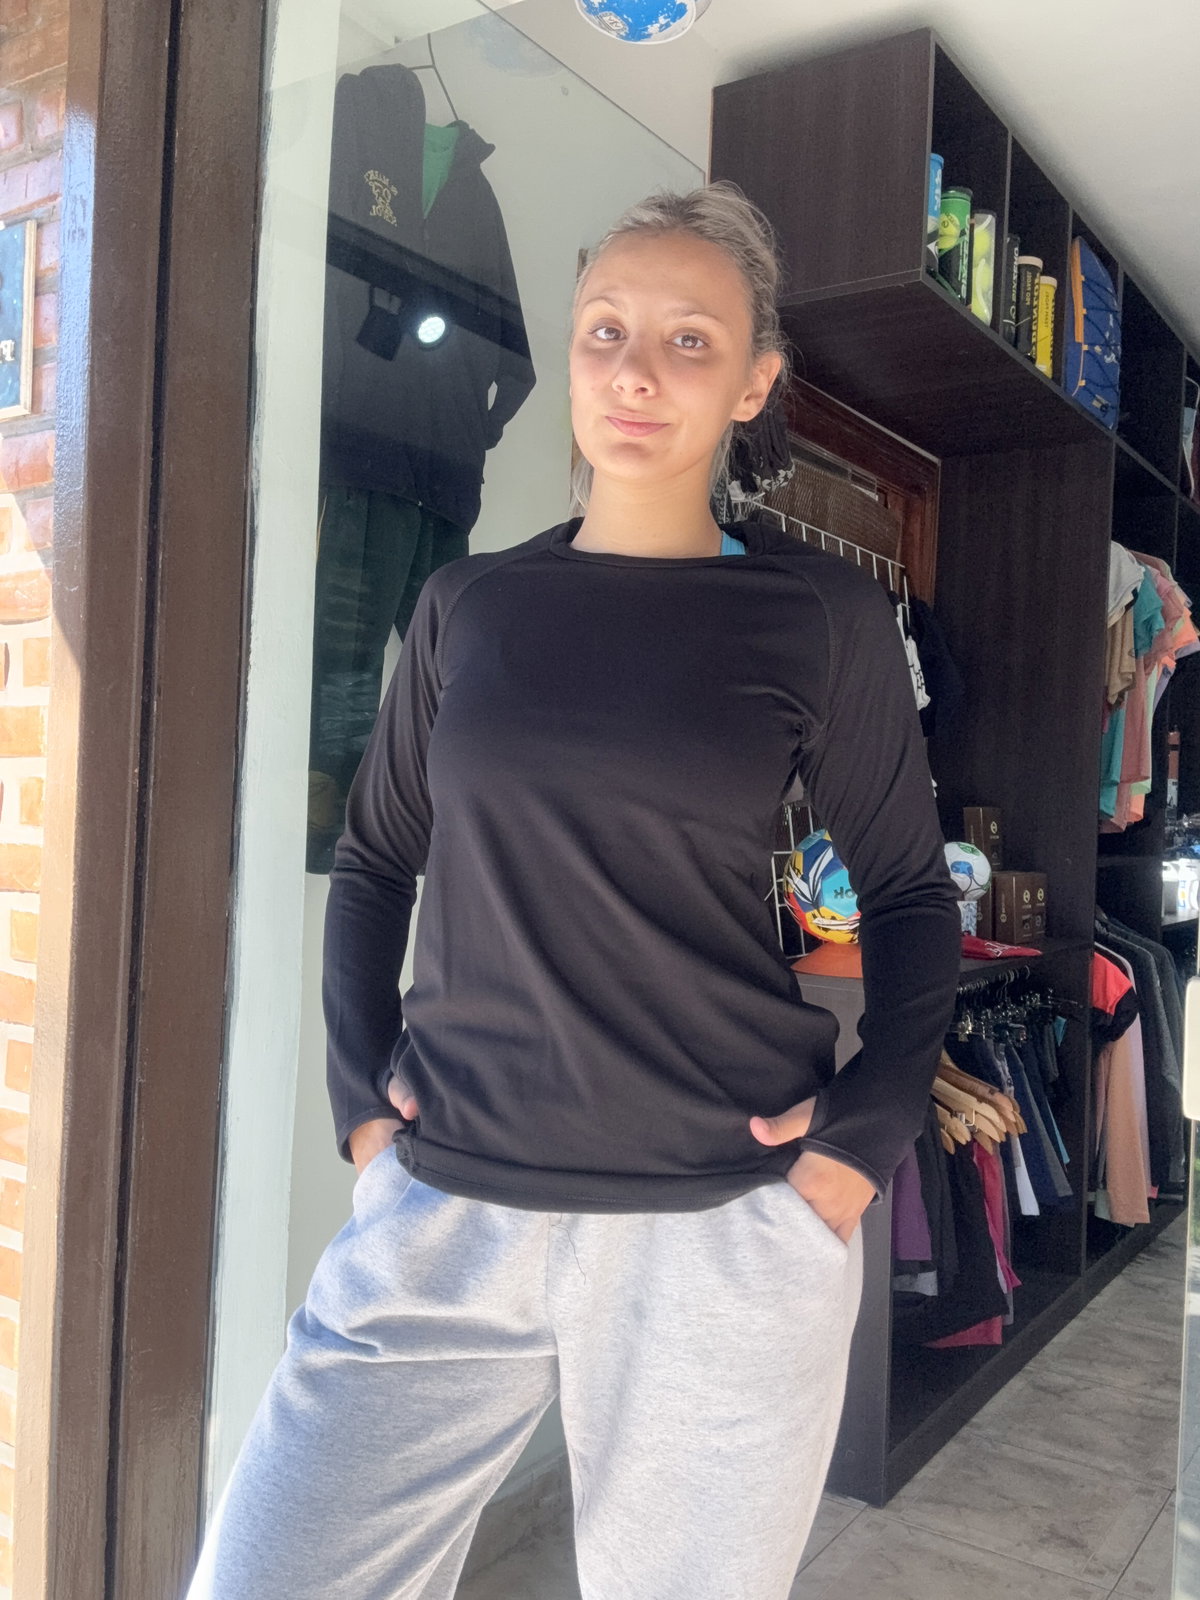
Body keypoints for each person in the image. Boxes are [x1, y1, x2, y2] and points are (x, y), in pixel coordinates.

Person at [186, 181, 962, 1600]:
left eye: (687, 341)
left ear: (754, 383)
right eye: (607, 330)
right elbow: (377, 859)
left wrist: (865, 1137)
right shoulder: (467, 606)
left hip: (721, 1219)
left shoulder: (824, 619)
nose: (635, 371)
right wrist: (360, 1099)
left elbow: (910, 893)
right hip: (446, 1207)